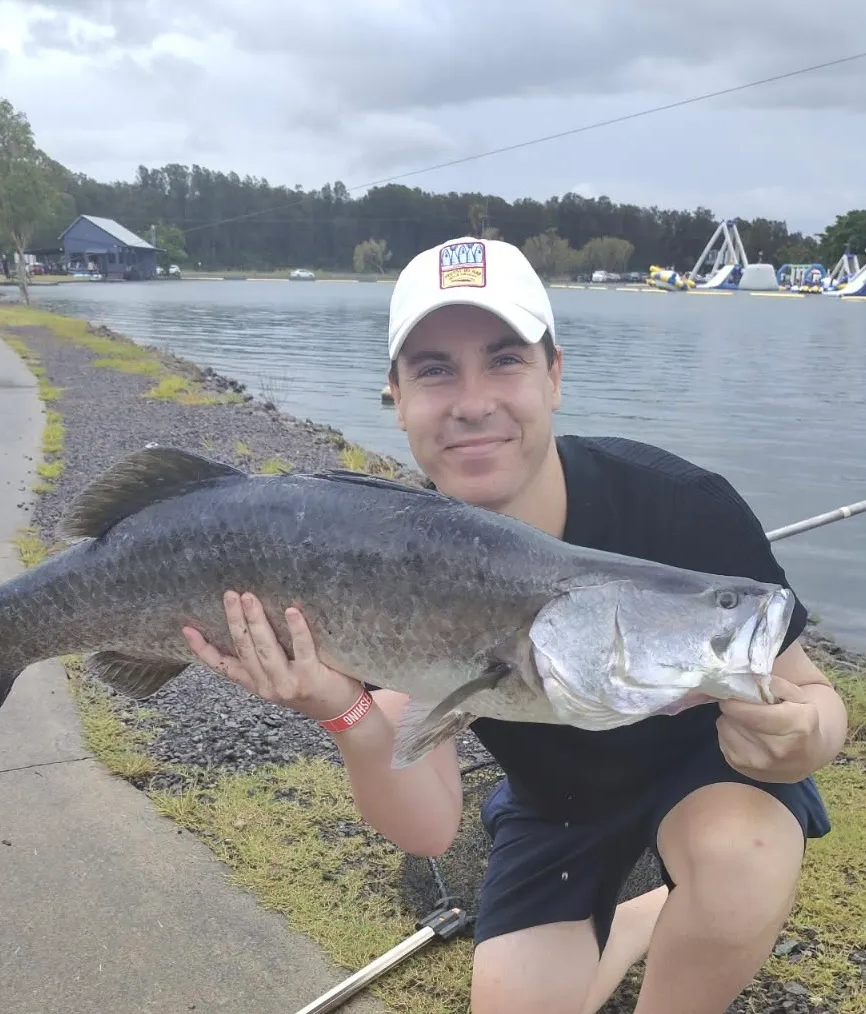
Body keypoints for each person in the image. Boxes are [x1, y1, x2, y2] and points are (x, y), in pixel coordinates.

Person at [181, 236, 847, 1014]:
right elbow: (429, 827)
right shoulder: (368, 558)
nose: (472, 402)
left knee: (738, 864)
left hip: (707, 781)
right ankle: (645, 912)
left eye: (505, 360)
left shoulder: (683, 506)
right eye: (434, 369)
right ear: (394, 396)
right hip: (555, 803)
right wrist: (342, 710)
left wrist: (807, 737)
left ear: (554, 375)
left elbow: (814, 695)